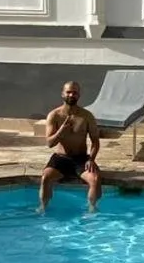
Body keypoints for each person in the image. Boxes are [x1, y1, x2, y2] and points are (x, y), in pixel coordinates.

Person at [39, 80, 102, 213]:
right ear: (62, 94)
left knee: (95, 179)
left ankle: (92, 210)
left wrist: (91, 159)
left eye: (75, 92)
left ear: (79, 95)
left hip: (81, 159)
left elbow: (95, 141)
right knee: (45, 177)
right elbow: (50, 143)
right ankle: (43, 207)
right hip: (61, 158)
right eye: (68, 92)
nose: (71, 95)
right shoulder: (54, 115)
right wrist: (60, 132)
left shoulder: (87, 116)